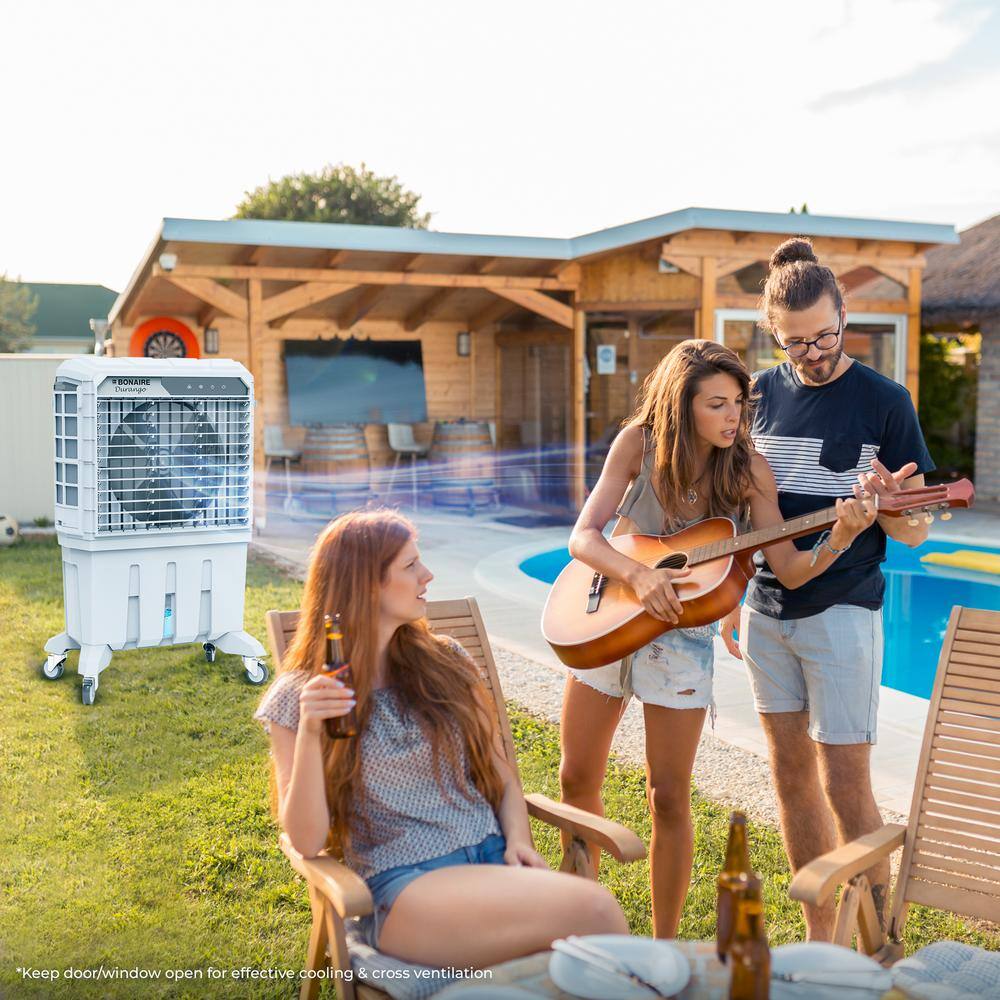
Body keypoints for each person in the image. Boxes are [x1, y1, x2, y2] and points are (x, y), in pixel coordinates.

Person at [559, 339, 877, 938]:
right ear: (681, 408)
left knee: (668, 797)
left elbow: (788, 569)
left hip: (679, 640)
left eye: (738, 403)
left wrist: (839, 536)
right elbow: (584, 537)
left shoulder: (749, 469)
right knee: (577, 780)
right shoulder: (638, 445)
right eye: (716, 404)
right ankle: (578, 929)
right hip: (604, 612)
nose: (733, 417)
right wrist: (636, 573)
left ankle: (664, 948)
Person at [255, 509, 628, 969]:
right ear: (364, 584)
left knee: (591, 942)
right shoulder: (299, 698)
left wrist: (518, 839)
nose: (427, 575)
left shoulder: (445, 663)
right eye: (410, 566)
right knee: (595, 914)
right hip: (407, 884)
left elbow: (500, 773)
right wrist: (312, 731)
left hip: (492, 861)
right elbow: (307, 842)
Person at [720, 237, 934, 939]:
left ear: (845, 314)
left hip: (842, 611)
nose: (813, 354)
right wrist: (730, 592)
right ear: (771, 335)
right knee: (789, 777)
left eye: (825, 337)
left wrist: (887, 511)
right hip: (766, 612)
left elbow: (918, 532)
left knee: (846, 784)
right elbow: (739, 510)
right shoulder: (756, 395)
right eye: (795, 343)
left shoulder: (885, 401)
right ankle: (820, 933)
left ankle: (877, 935)